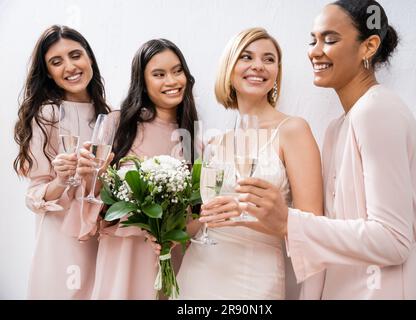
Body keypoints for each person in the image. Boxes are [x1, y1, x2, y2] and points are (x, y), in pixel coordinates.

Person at [234, 0, 416, 299]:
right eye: (313, 40)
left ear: (369, 46)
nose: (315, 50)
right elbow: (330, 232)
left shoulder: (377, 111)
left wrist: (288, 220)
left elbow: (393, 240)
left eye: (330, 39)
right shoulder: (337, 128)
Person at [176, 27, 324, 299]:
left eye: (269, 59)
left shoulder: (293, 130)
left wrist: (242, 215)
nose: (258, 65)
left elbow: (313, 227)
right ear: (230, 70)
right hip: (198, 273)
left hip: (254, 279)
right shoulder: (214, 143)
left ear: (276, 73)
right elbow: (195, 222)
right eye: (247, 57)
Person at [76, 38, 198, 299]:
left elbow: (197, 211)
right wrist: (89, 172)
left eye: (178, 71)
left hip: (166, 253)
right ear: (143, 81)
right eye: (159, 74)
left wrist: (176, 236)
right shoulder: (118, 124)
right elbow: (93, 201)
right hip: (122, 251)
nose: (172, 81)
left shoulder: (192, 136)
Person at [13, 25, 111, 299]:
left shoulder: (110, 115)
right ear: (48, 73)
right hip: (61, 241)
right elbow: (34, 196)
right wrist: (60, 179)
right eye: (56, 62)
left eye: (75, 55)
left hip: (102, 238)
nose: (70, 66)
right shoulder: (47, 116)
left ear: (89, 57)